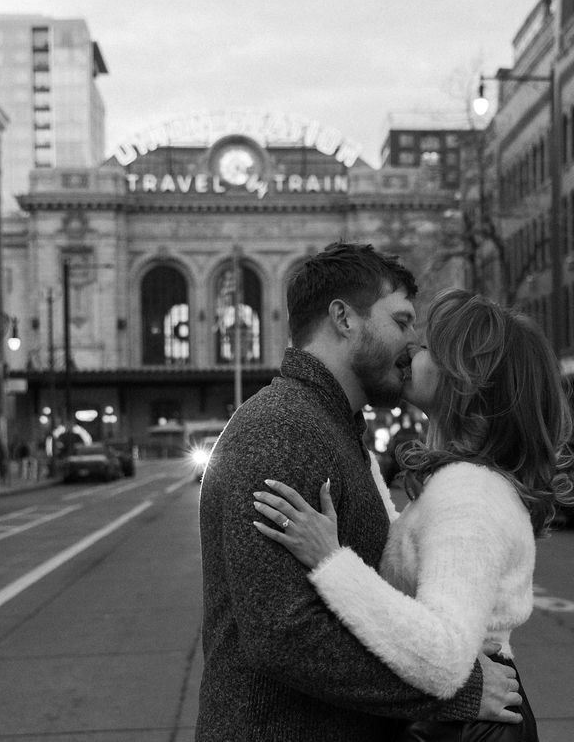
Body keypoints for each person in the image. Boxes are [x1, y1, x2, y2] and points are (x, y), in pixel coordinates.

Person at [197, 245, 522, 742]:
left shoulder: (331, 426)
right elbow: (283, 635)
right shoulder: (283, 432)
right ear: (344, 319)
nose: (411, 343)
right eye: (401, 321)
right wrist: (455, 691)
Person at [253, 288, 574, 742]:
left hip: (463, 725)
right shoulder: (465, 484)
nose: (411, 350)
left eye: (429, 347)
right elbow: (413, 552)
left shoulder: (469, 496)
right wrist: (356, 452)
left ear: (466, 379)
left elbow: (444, 659)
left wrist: (330, 560)